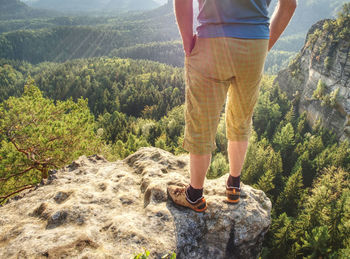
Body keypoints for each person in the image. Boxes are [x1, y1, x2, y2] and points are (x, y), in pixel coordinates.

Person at [167, 0, 297, 212]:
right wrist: (262, 45)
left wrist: (186, 41)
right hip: (254, 47)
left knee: (201, 120)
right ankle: (234, 184)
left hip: (211, 42)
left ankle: (194, 195)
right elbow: (289, 5)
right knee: (242, 116)